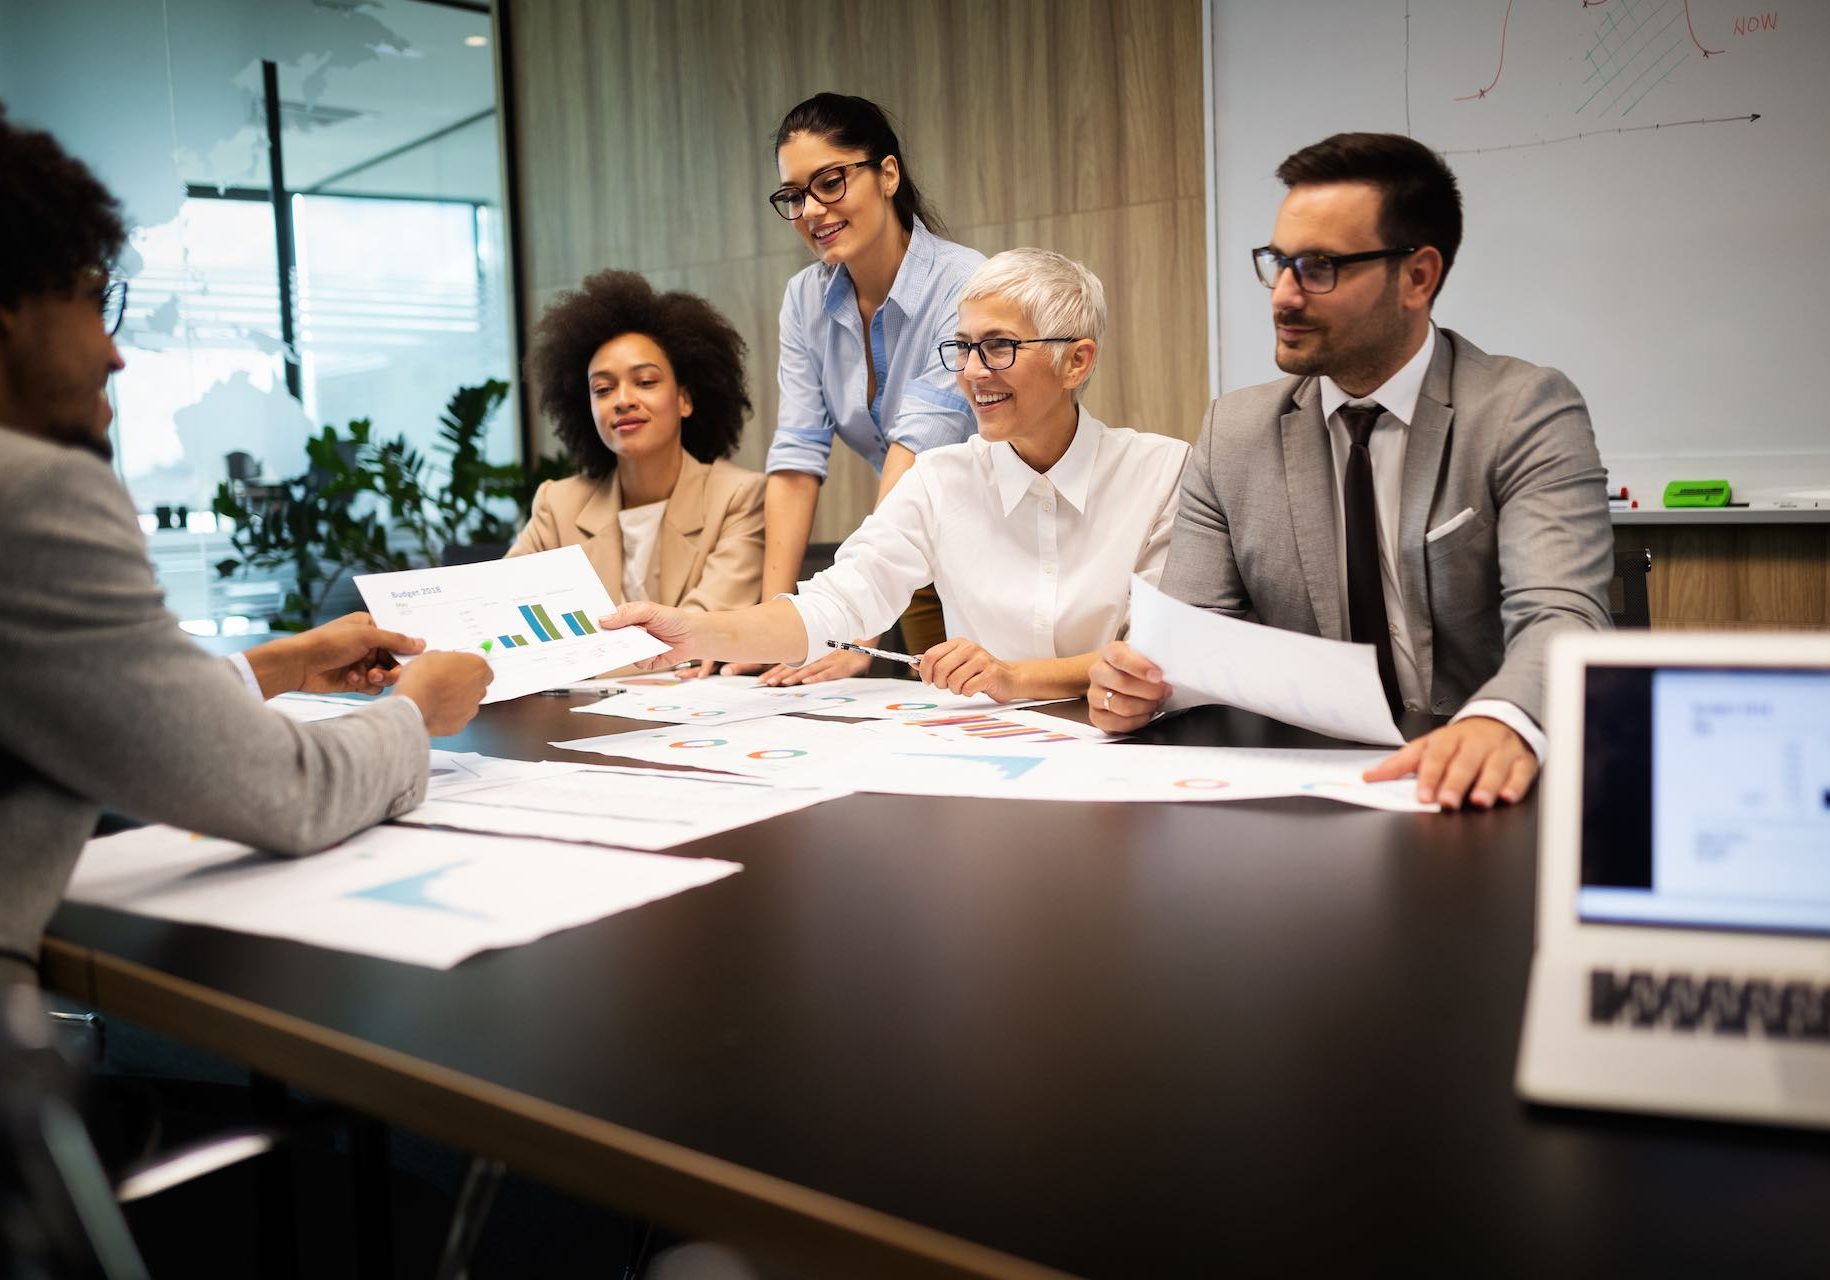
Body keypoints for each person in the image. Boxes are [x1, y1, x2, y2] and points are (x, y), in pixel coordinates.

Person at [0, 104, 492, 987]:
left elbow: (73, 696)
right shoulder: (34, 496)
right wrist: (416, 711)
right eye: (91, 299)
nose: (115, 355)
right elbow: (288, 790)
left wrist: (284, 665)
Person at [1089, 132, 1612, 811]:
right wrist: (1137, 686)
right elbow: (1187, 642)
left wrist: (1499, 719)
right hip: (1309, 794)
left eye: (1318, 268)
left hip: (1479, 788)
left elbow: (1562, 614)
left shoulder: (1523, 411)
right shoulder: (1234, 433)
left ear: (1418, 277)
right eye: (1278, 263)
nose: (1282, 296)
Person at [598, 250, 1189, 704]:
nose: (972, 373)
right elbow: (838, 603)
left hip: (1131, 753)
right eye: (962, 348)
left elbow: (1157, 654)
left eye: (999, 346)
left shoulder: (1162, 472)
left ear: (1076, 360)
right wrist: (691, 632)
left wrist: (1016, 677)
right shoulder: (940, 479)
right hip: (986, 759)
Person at [743, 92, 986, 684]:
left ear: (887, 174)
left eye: (829, 182)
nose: (811, 211)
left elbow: (917, 446)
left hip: (996, 554)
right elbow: (797, 458)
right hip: (915, 555)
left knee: (1007, 723)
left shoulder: (966, 283)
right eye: (794, 195)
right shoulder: (805, 300)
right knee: (937, 723)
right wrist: (779, 623)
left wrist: (856, 621)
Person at [508, 270, 764, 623]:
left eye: (645, 381)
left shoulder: (738, 498)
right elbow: (503, 609)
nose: (623, 400)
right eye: (602, 389)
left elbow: (701, 631)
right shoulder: (558, 505)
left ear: (685, 399)